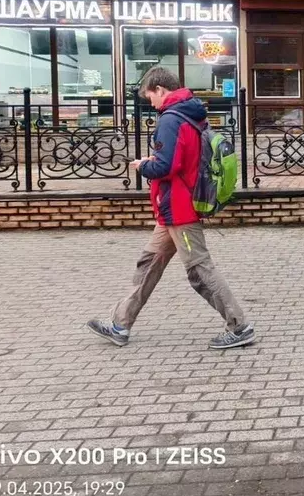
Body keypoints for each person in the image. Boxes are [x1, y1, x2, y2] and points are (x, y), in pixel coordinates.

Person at [87, 66, 256, 350]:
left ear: (160, 89)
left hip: (179, 208)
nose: (150, 103)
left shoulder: (171, 118)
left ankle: (239, 326)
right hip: (173, 208)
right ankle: (120, 324)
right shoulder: (191, 114)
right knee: (148, 264)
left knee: (200, 270)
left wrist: (144, 165)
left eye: (149, 96)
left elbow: (166, 166)